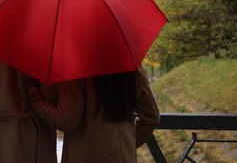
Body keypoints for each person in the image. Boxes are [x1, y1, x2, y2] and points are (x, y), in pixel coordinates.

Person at [28, 66, 159, 163]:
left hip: (88, 156)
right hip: (124, 156)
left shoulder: (76, 69)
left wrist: (36, 100)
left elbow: (66, 120)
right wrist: (128, 142)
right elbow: (151, 118)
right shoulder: (133, 68)